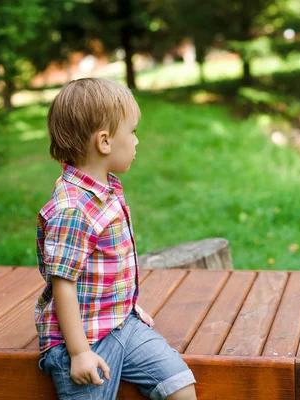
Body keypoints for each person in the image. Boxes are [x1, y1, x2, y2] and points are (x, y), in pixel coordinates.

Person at [34, 78, 197, 400]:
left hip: (122, 323)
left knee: (179, 383)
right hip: (83, 338)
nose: (137, 141)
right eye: (133, 132)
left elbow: (103, 267)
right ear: (105, 142)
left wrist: (127, 306)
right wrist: (79, 352)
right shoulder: (73, 209)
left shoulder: (103, 190)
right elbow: (63, 283)